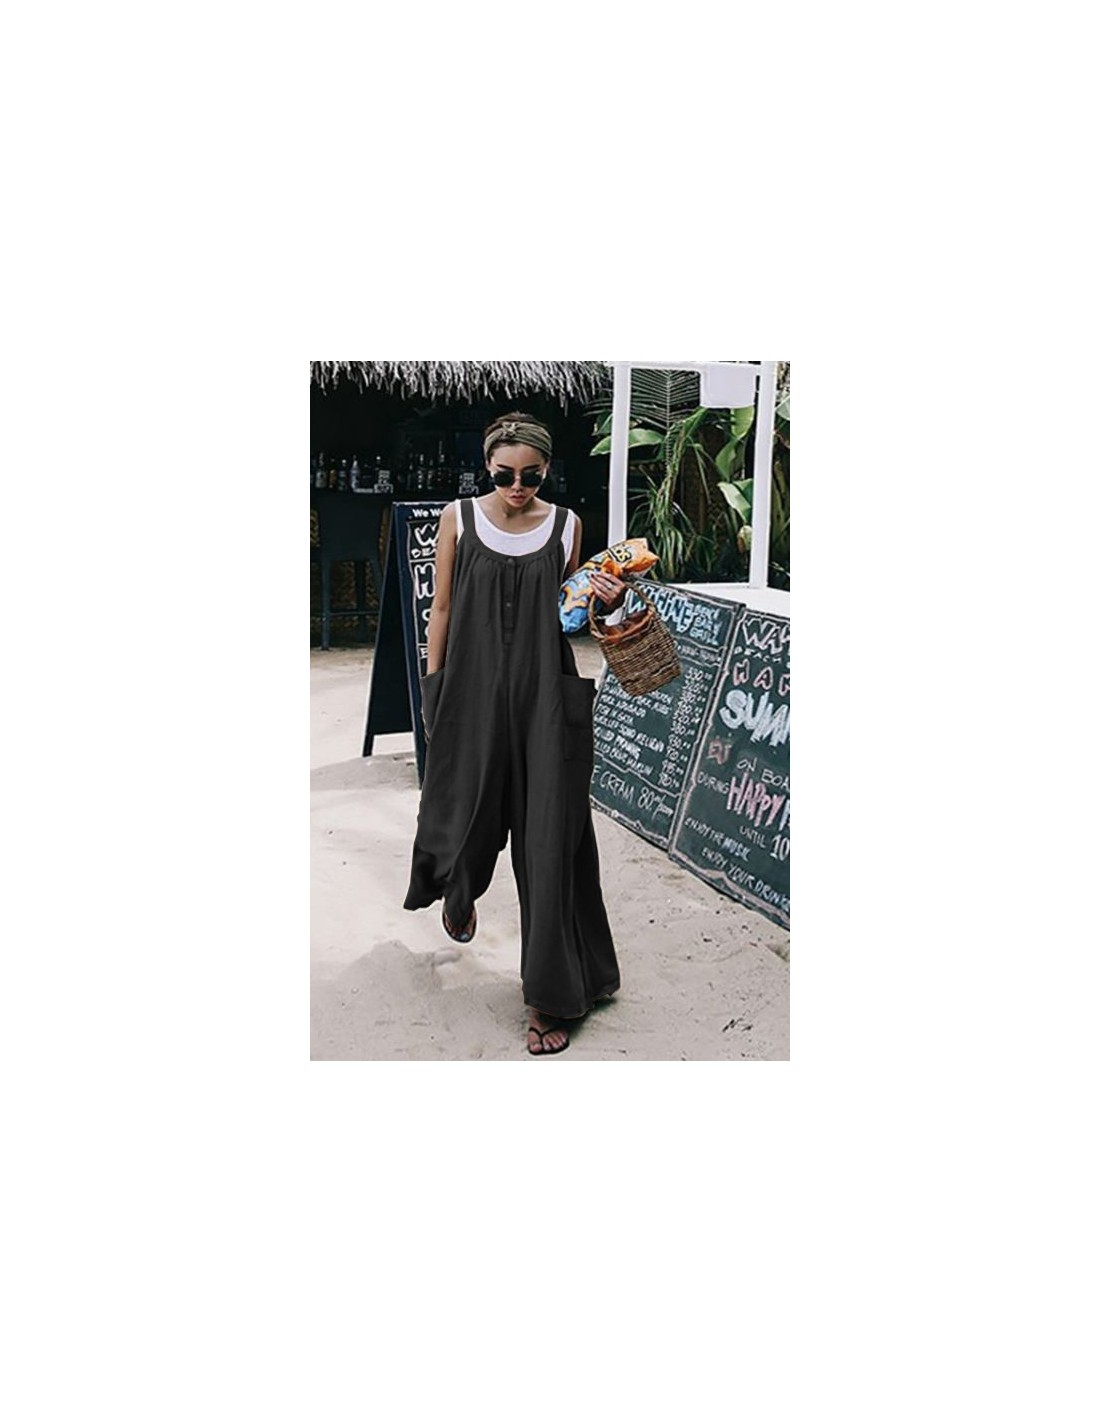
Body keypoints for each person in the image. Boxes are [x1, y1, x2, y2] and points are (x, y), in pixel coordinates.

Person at [402, 412, 628, 1056]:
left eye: (531, 476)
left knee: (550, 839)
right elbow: (442, 607)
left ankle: (549, 996)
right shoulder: (459, 518)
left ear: (547, 470)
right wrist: (434, 688)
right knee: (458, 810)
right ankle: (458, 890)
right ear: (487, 466)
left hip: (545, 698)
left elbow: (569, 615)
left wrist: (606, 600)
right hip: (468, 693)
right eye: (504, 475)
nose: (518, 487)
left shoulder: (567, 526)